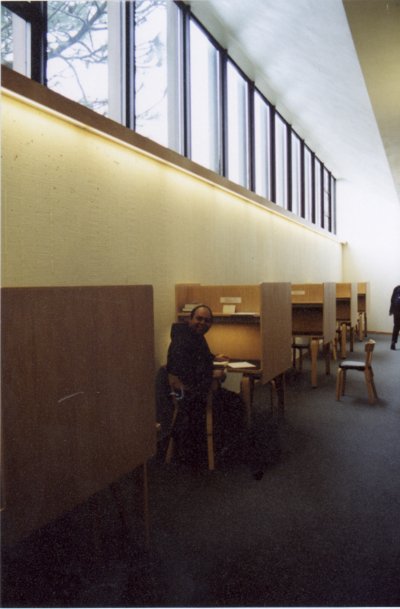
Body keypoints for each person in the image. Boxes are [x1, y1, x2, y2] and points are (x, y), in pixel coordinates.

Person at [166, 304, 244, 467]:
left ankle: (219, 444)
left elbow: (199, 358)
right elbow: (186, 371)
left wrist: (215, 357)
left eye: (207, 321)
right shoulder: (182, 341)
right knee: (237, 403)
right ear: (190, 319)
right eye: (199, 319)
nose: (202, 323)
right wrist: (213, 375)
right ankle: (222, 449)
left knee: (230, 399)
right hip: (191, 396)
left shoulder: (191, 335)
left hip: (189, 392)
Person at [389, 285, 400, 350]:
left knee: (396, 327)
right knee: (396, 327)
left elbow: (392, 300)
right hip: (397, 310)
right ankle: (393, 343)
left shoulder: (396, 288)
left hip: (396, 311)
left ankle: (393, 343)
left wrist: (391, 310)